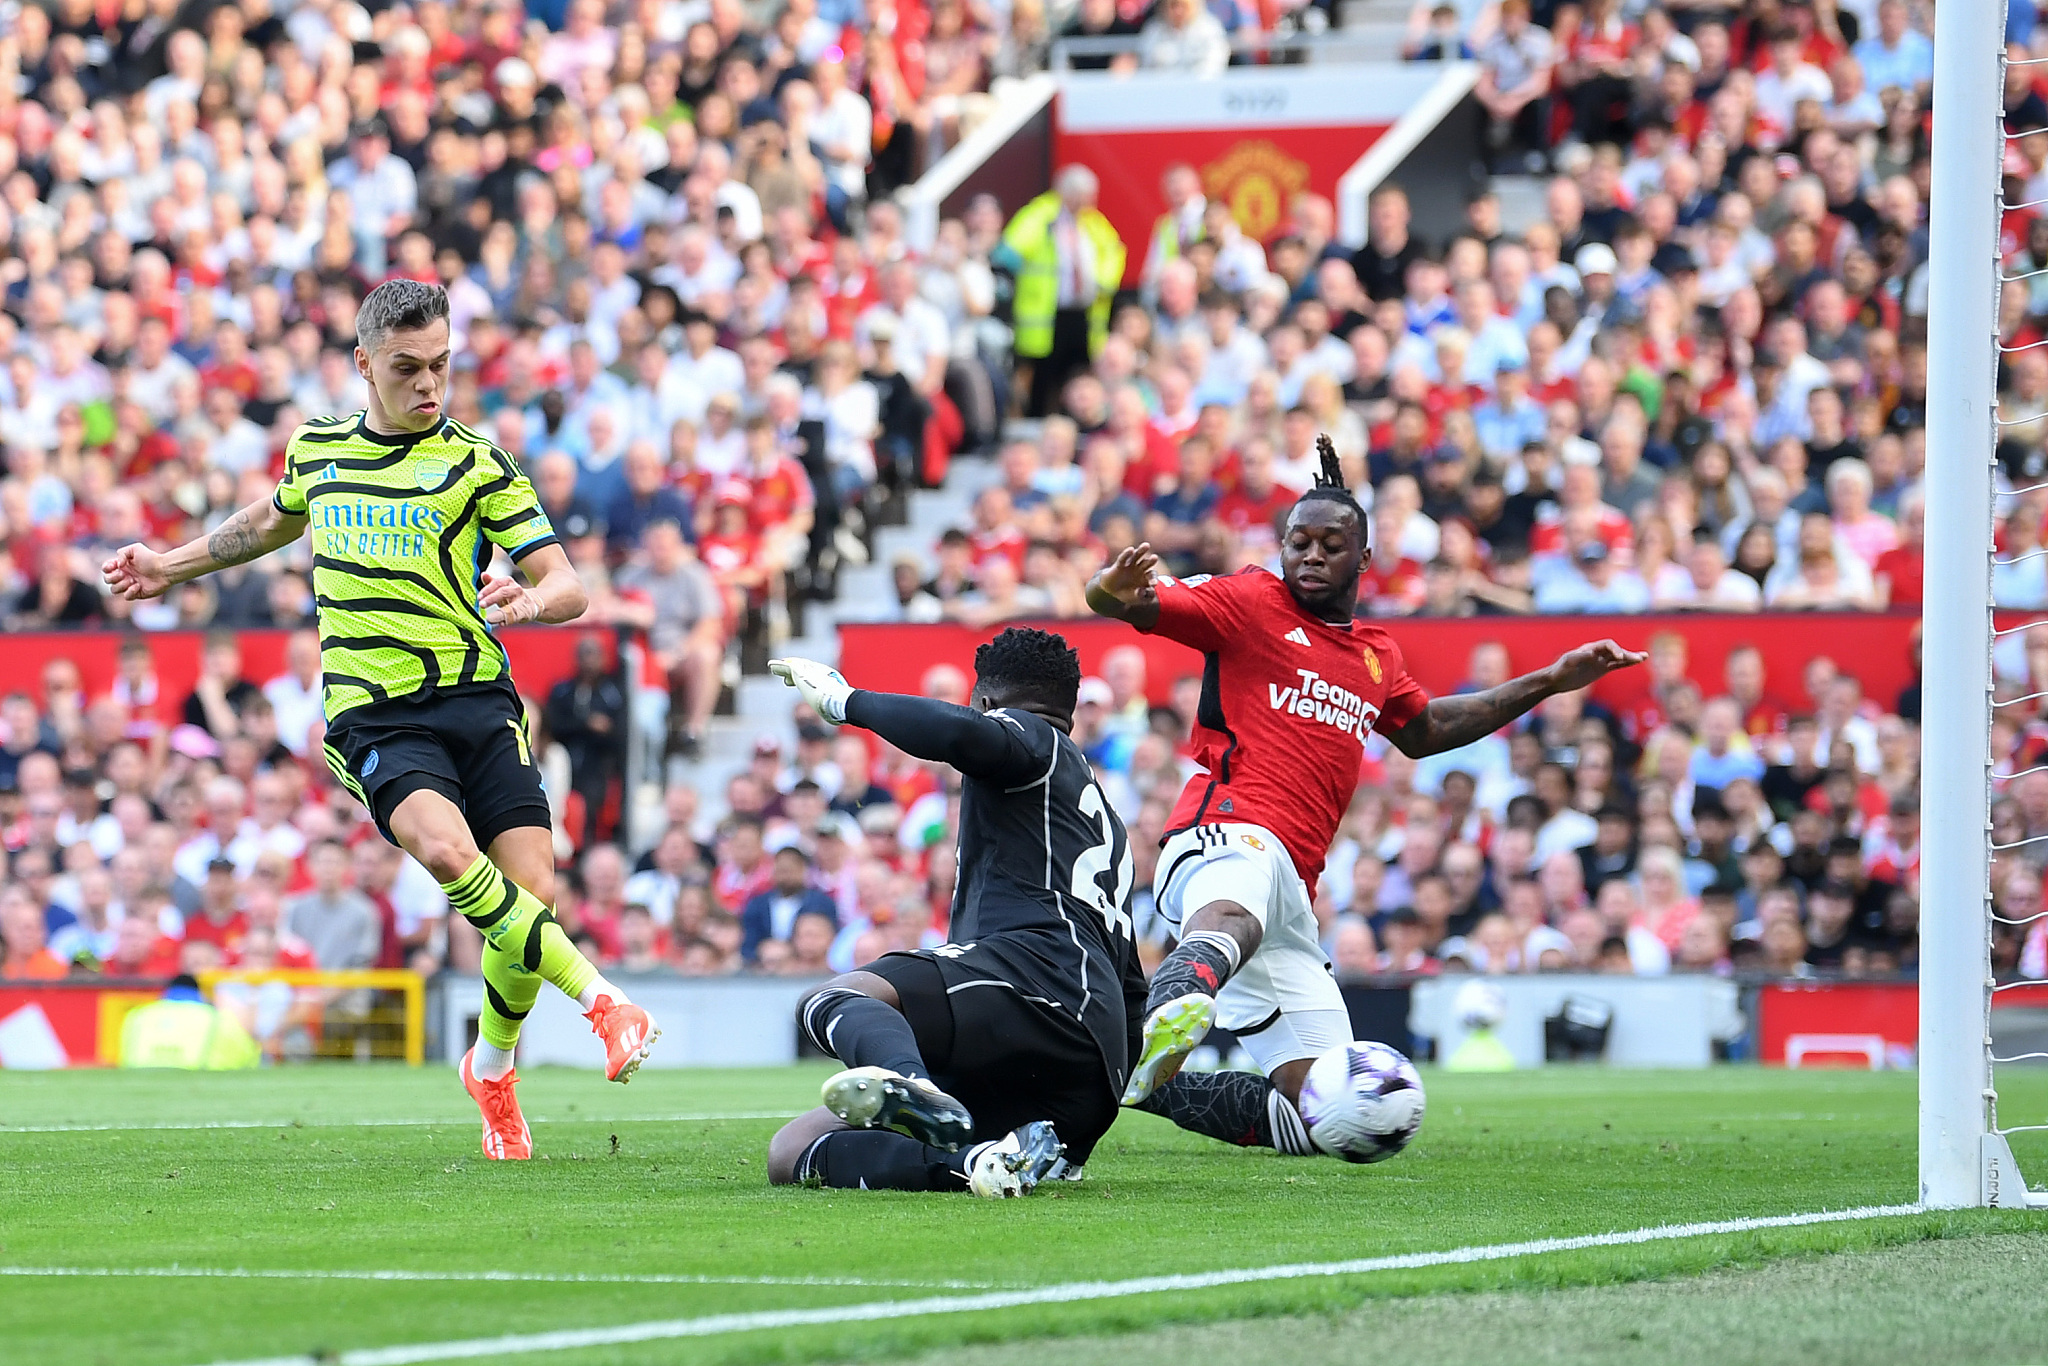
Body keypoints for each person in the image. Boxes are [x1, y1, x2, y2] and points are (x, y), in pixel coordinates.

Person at [102, 279, 657, 1161]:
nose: (430, 384)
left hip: (478, 698)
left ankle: (491, 1066)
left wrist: (528, 602)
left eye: (442, 365)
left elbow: (571, 584)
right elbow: (266, 523)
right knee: (447, 854)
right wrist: (170, 566)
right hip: (375, 713)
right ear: (364, 363)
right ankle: (603, 1003)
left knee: (533, 895)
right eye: (408, 368)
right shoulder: (318, 448)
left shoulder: (479, 462)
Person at [1084, 436, 1644, 1151]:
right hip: (1223, 829)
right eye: (1298, 542)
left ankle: (1127, 1070)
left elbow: (1429, 728)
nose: (1310, 556)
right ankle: (1180, 993)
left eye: (1329, 544)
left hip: (1297, 883)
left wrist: (1547, 681)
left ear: (1364, 558)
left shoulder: (1376, 655)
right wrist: (1112, 584)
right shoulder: (1250, 601)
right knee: (1237, 905)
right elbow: (1117, 602)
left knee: (1324, 1110)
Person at [762, 627, 1146, 1197]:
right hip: (1081, 1067)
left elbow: (964, 735)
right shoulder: (1098, 815)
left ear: (986, 704)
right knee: (791, 1150)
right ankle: (984, 1162)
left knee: (830, 998)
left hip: (1035, 984)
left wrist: (846, 702)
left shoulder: (1036, 742)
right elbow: (1131, 982)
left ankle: (913, 1089)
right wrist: (1095, 1106)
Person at [1003, 166, 1127, 418]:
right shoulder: (1040, 215)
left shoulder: (1092, 221)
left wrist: (1103, 280)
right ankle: (1038, 420)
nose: (1086, 202)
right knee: (1043, 377)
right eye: (1080, 196)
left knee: (1078, 374)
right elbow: (1010, 251)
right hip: (1046, 313)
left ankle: (1076, 422)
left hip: (1083, 312)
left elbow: (1114, 250)